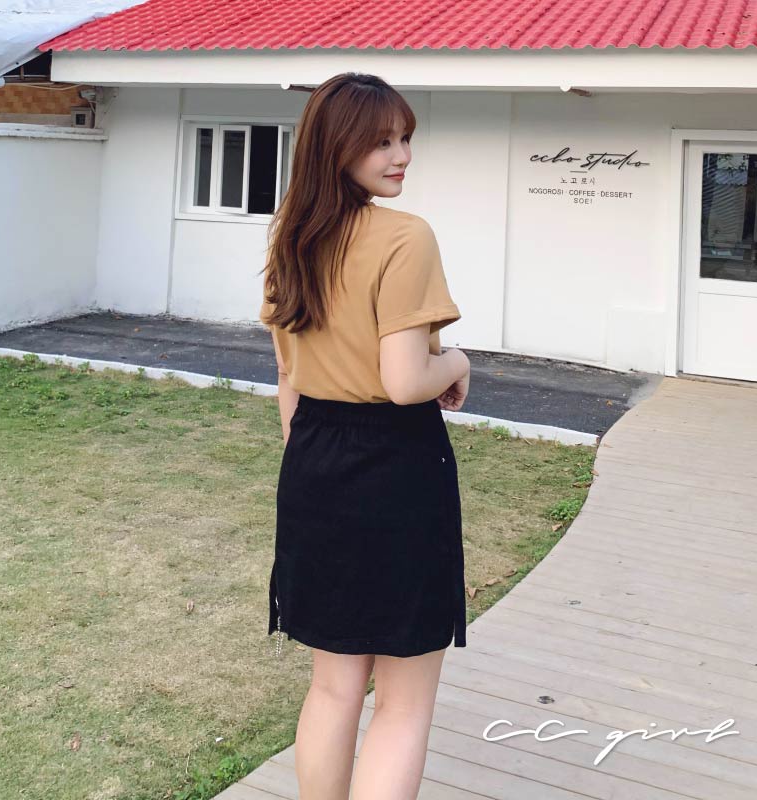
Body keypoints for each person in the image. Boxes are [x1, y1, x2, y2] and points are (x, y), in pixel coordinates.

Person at [258, 72, 471, 800]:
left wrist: (315, 466)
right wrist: (458, 362)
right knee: (403, 701)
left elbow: (288, 382)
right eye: (381, 141)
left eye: (405, 137)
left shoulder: (292, 237)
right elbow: (406, 380)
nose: (401, 154)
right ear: (336, 147)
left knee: (333, 686)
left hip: (313, 464)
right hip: (395, 467)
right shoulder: (405, 237)